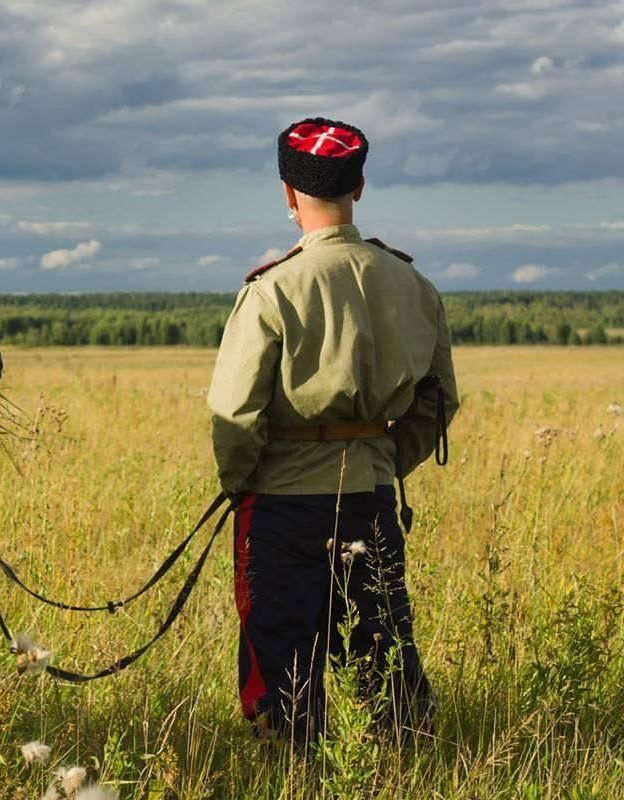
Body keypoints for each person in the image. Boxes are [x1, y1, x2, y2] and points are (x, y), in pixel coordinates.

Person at [207, 117, 459, 747]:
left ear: (288, 194)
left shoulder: (271, 290)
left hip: (283, 504)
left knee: (282, 661)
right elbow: (437, 401)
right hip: (371, 496)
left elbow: (235, 414)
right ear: (360, 186)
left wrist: (244, 485)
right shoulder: (413, 284)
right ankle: (399, 771)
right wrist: (381, 458)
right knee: (380, 652)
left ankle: (293, 776)